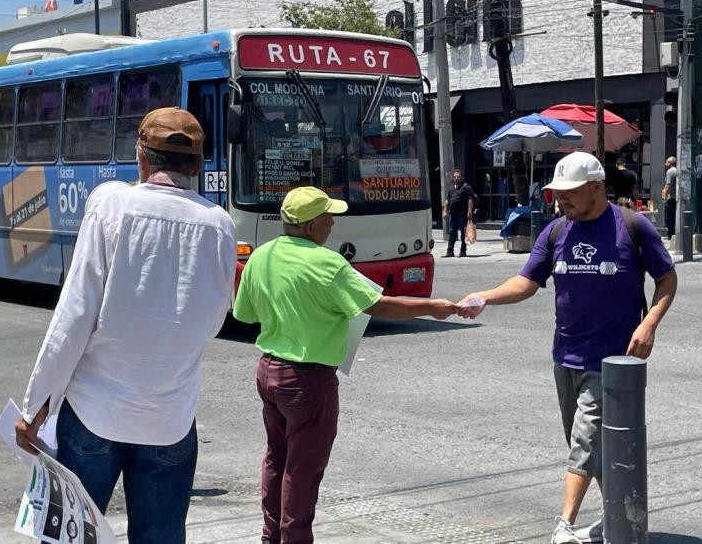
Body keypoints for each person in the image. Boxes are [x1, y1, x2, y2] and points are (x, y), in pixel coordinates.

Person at [15, 107, 236, 544]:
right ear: (197, 165)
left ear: (141, 156)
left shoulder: (113, 205)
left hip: (95, 414)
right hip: (171, 419)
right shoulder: (220, 225)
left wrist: (36, 406)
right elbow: (212, 322)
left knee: (71, 538)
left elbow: (73, 316)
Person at [456, 152, 677, 544]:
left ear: (596, 187)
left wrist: (649, 324)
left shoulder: (631, 226)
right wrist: (485, 297)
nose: (560, 201)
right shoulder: (556, 231)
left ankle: (563, 525)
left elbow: (666, 280)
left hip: (611, 360)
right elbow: (527, 282)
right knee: (595, 451)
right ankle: (620, 520)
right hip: (565, 356)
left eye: (569, 193)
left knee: (585, 442)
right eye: (557, 193)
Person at [233, 186, 460, 544]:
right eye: (327, 217)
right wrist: (431, 306)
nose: (332, 224)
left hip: (269, 372)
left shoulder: (262, 255)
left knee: (277, 458)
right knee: (303, 469)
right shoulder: (328, 264)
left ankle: (271, 536)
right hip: (308, 380)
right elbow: (379, 304)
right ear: (309, 226)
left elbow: (243, 313)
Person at [442, 169, 475, 258]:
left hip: (462, 214)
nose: (456, 178)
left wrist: (469, 211)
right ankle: (450, 251)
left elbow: (470, 199)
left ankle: (463, 251)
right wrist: (445, 211)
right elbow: (447, 201)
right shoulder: (451, 188)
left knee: (463, 234)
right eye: (455, 177)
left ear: (462, 177)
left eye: (458, 177)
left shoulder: (466, 187)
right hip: (453, 214)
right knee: (452, 232)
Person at [662, 156, 677, 240]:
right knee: (673, 216)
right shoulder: (676, 170)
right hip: (675, 197)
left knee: (669, 217)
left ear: (670, 163)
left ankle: (670, 235)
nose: (665, 164)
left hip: (670, 197)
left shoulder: (670, 172)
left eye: (667, 162)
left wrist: (664, 196)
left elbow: (668, 185)